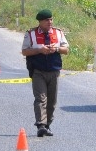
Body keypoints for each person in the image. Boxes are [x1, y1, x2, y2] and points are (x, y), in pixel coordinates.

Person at [21, 9, 69, 137]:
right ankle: (40, 125)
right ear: (40, 22)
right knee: (41, 98)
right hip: (38, 71)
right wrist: (39, 50)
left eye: (51, 19)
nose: (50, 22)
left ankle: (47, 124)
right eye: (47, 20)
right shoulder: (31, 34)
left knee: (52, 101)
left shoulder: (58, 33)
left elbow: (66, 50)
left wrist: (56, 48)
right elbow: (25, 51)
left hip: (54, 70)